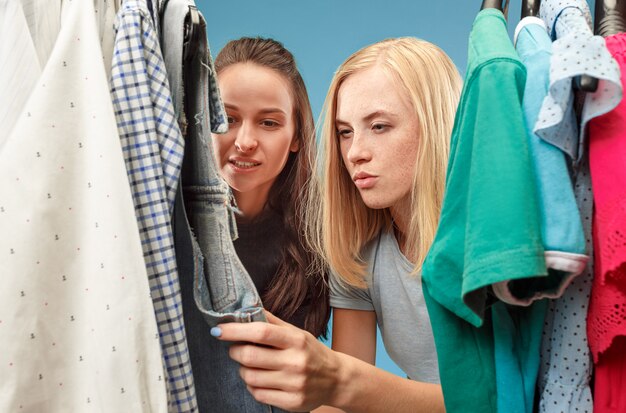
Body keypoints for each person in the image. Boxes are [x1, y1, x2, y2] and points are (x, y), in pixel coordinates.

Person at [211, 37, 462, 413]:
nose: (355, 152)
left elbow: (505, 400)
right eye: (345, 132)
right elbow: (344, 403)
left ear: (437, 124)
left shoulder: (490, 239)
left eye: (379, 126)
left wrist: (339, 379)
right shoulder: (357, 248)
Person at [211, 37, 330, 338]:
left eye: (268, 123)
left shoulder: (324, 233)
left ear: (296, 137)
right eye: (227, 118)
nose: (245, 142)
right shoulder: (166, 222)